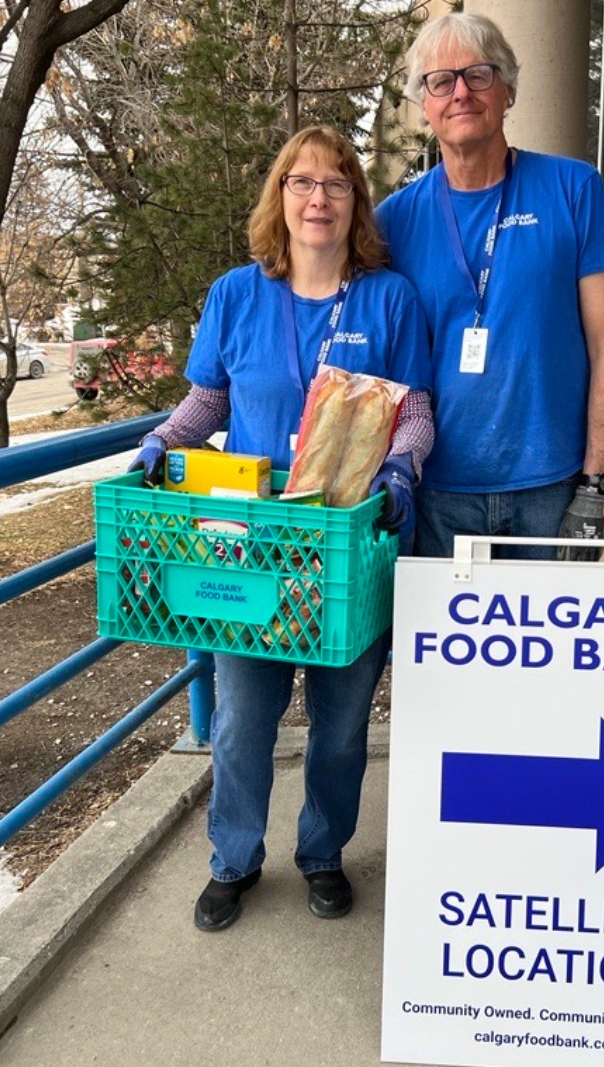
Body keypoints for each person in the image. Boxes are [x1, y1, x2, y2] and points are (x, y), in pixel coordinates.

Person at [129, 126, 433, 930]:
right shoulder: (236, 294)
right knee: (239, 724)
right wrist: (163, 442)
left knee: (339, 727)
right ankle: (233, 860)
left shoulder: (389, 298)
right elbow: (211, 401)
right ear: (280, 197)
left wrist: (403, 467)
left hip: (344, 550)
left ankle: (323, 854)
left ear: (356, 203)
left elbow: (416, 412)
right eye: (301, 182)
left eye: (336, 184)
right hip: (253, 546)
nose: (318, 198)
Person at [376, 12, 604, 562]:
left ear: (509, 89)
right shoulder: (392, 222)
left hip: (553, 489)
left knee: (553, 651)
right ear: (424, 105)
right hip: (433, 492)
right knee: (443, 651)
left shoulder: (574, 190)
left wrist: (594, 486)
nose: (461, 93)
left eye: (479, 74)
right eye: (441, 81)